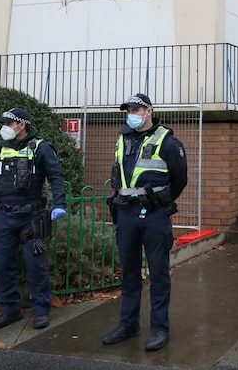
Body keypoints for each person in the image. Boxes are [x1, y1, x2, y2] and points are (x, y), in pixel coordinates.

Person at [102, 93, 188, 352]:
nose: (132, 114)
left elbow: (180, 179)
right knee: (129, 272)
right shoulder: (122, 138)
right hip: (126, 213)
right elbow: (117, 172)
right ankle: (128, 324)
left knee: (158, 273)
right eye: (128, 109)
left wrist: (159, 202)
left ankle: (160, 328)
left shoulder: (167, 141)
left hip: (153, 214)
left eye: (136, 109)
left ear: (148, 111)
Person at [0, 108, 68, 330]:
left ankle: (41, 311)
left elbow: (56, 176)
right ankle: (10, 311)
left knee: (35, 265)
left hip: (31, 217)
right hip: (4, 215)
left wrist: (60, 204)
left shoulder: (41, 148)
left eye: (8, 123)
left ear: (21, 125)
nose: (5, 127)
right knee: (4, 264)